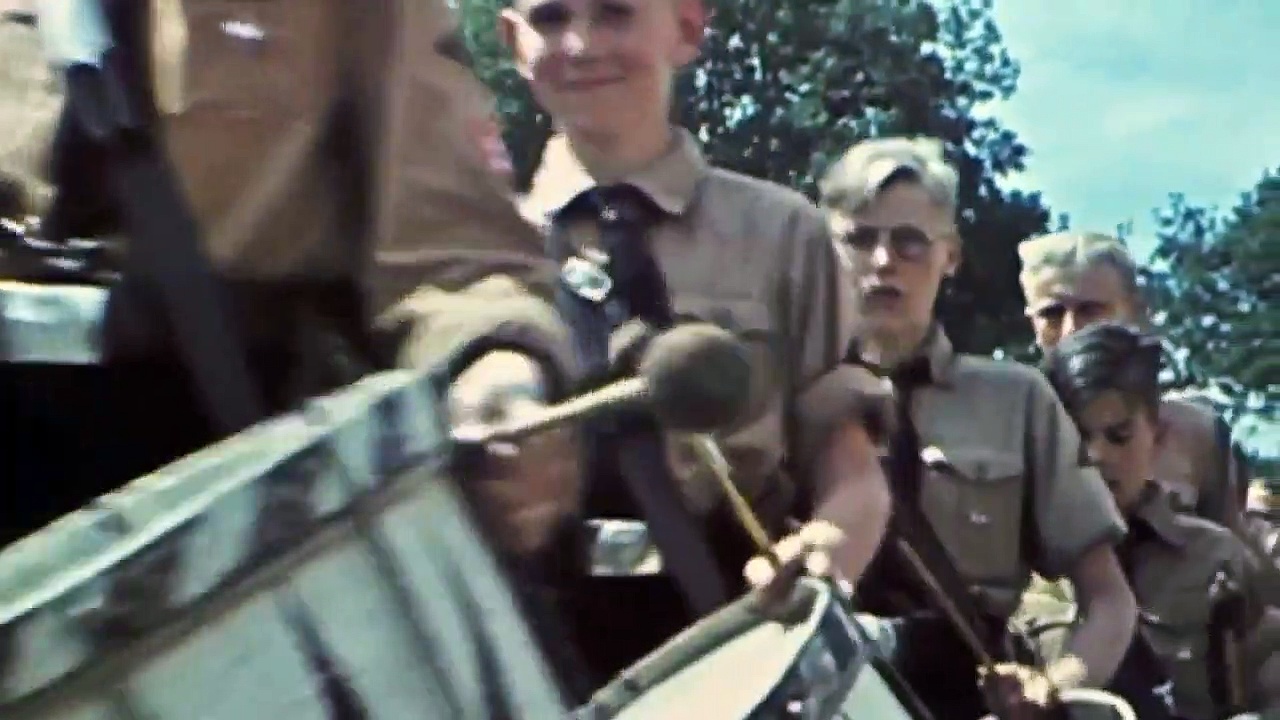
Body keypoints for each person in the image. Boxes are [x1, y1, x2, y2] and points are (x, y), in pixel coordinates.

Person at [496, 0, 894, 694]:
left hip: (736, 627)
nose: (581, 44)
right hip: (531, 646)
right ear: (511, 41)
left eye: (614, 13)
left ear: (687, 28)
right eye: (550, 17)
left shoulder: (781, 234)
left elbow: (850, 466)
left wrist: (827, 551)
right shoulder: (483, 252)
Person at [810, 136, 1143, 719]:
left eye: (910, 241)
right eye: (859, 239)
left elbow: (1109, 601)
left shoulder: (1016, 399)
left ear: (951, 256)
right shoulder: (789, 397)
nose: (883, 261)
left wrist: (1054, 686)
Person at [1041, 322, 1280, 718]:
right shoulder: (1021, 567)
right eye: (1077, 437)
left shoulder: (1213, 559)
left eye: (1119, 435)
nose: (1097, 455)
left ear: (1157, 431)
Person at [1017, 232, 1249, 527]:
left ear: (1134, 310)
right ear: (1032, 323)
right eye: (1051, 313)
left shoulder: (1195, 434)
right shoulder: (1010, 432)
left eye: (1091, 310)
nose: (1070, 329)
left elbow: (1229, 547)